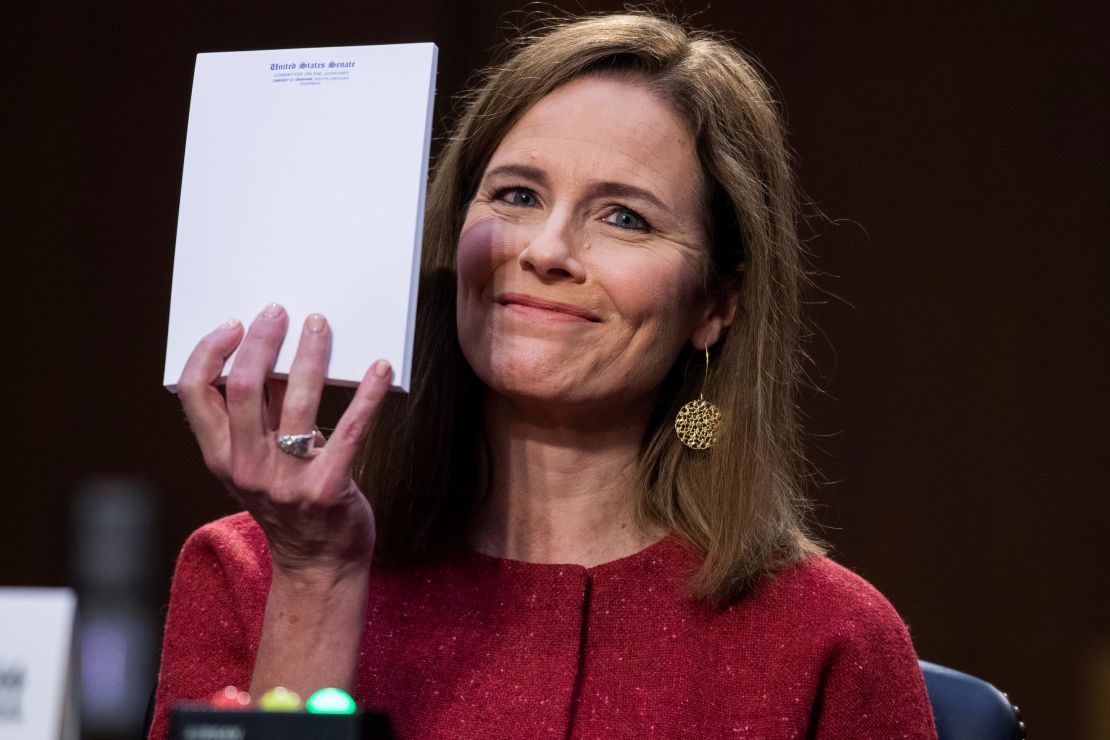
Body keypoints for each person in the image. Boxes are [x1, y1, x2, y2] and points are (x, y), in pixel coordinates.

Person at [149, 11, 937, 739]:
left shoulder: (831, 640)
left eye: (624, 216)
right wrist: (315, 580)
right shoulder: (249, 573)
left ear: (715, 303)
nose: (547, 250)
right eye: (517, 195)